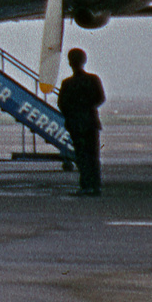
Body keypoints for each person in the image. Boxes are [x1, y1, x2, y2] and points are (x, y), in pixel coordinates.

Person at [56, 48, 105, 195]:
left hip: (76, 124)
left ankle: (86, 186)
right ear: (84, 61)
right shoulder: (93, 79)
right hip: (91, 123)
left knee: (82, 156)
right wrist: (88, 106)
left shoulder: (67, 83)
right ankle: (96, 186)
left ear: (70, 63)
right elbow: (100, 98)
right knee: (93, 155)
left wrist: (72, 114)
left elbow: (62, 104)